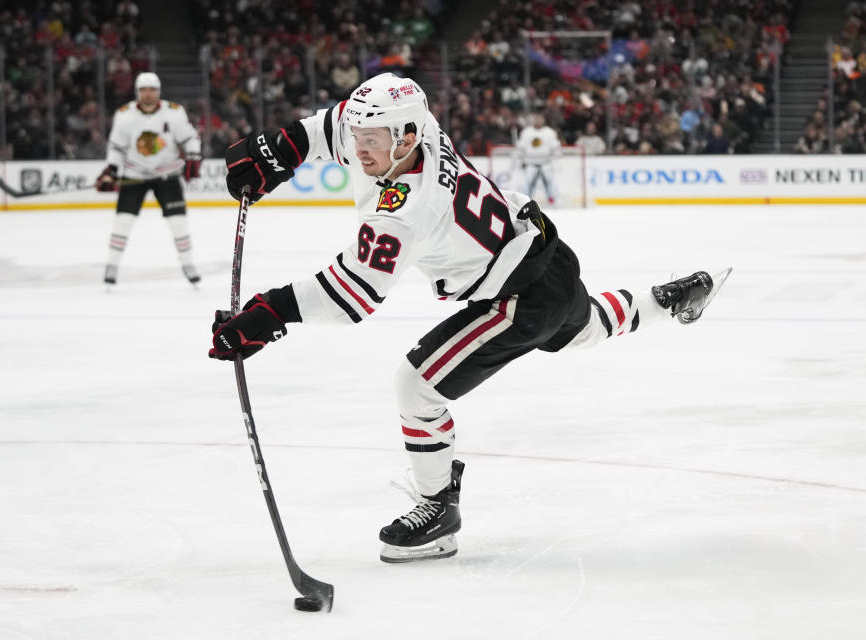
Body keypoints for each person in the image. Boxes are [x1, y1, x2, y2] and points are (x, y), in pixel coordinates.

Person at [209, 73, 729, 563]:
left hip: (516, 298)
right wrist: (280, 148)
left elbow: (353, 294)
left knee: (417, 386)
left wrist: (268, 312)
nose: (358, 148)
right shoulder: (418, 127)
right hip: (545, 250)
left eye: (371, 139)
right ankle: (667, 301)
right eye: (358, 136)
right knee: (588, 325)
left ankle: (438, 509)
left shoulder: (403, 208)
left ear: (406, 136)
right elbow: (336, 121)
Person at [97, 72, 203, 286]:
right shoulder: (124, 114)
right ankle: (112, 265)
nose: (148, 94)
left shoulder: (174, 112)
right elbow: (117, 147)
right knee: (122, 223)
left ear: (159, 91)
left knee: (179, 223)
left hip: (167, 176)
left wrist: (193, 157)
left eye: (152, 90)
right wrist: (112, 170)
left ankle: (188, 263)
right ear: (137, 92)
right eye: (144, 90)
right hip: (134, 175)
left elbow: (190, 138)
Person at [514, 113, 562, 205]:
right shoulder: (526, 132)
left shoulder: (550, 132)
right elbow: (521, 148)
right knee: (527, 185)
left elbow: (555, 148)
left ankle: (552, 201)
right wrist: (522, 161)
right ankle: (525, 203)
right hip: (530, 163)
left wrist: (554, 160)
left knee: (550, 184)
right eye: (536, 119)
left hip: (546, 163)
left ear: (543, 120)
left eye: (540, 119)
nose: (538, 121)